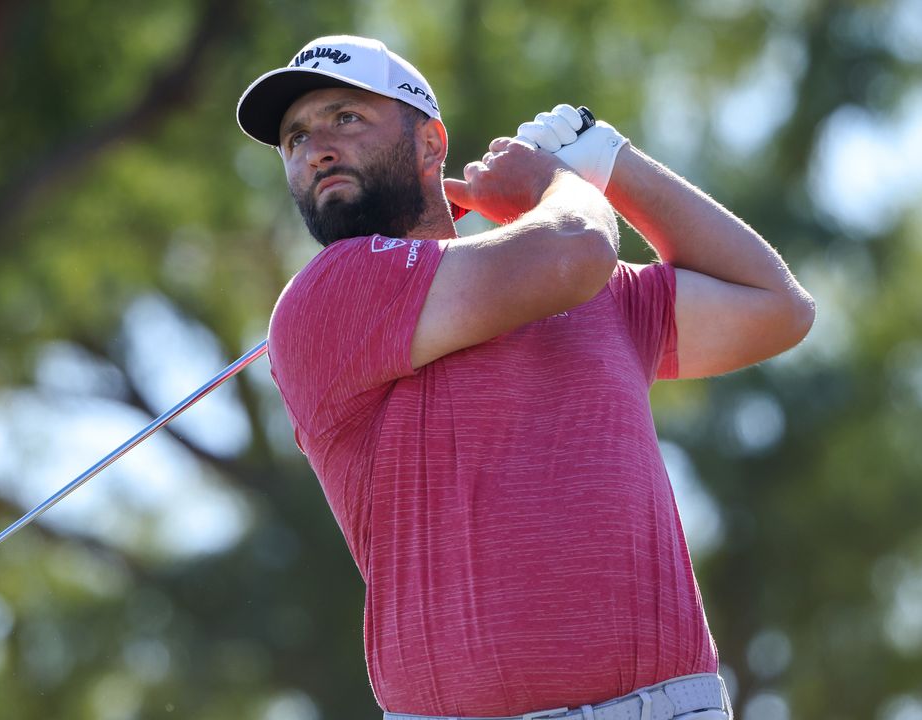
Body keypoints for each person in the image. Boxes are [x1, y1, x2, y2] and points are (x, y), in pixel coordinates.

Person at [236, 35, 814, 720]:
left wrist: (612, 160)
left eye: (346, 118)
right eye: (295, 138)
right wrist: (557, 182)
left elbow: (777, 308)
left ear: (429, 143)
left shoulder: (599, 294)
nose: (317, 147)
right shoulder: (329, 295)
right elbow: (576, 247)